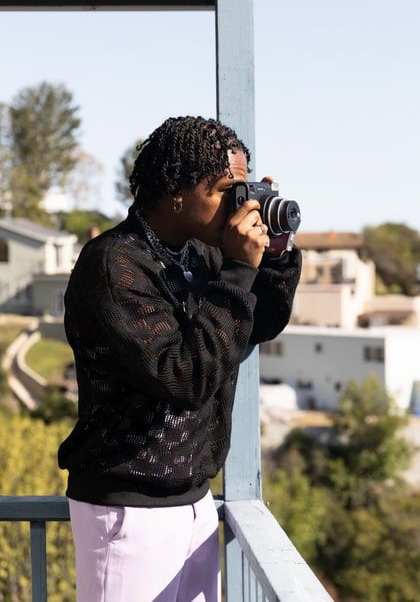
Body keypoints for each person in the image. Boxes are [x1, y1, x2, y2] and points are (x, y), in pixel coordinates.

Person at [58, 116, 302, 602]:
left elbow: (258, 324)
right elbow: (183, 377)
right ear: (175, 191)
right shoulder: (113, 264)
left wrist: (273, 255)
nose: (240, 207)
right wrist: (237, 271)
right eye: (226, 191)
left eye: (244, 191)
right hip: (128, 511)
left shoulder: (202, 254)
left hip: (194, 501)